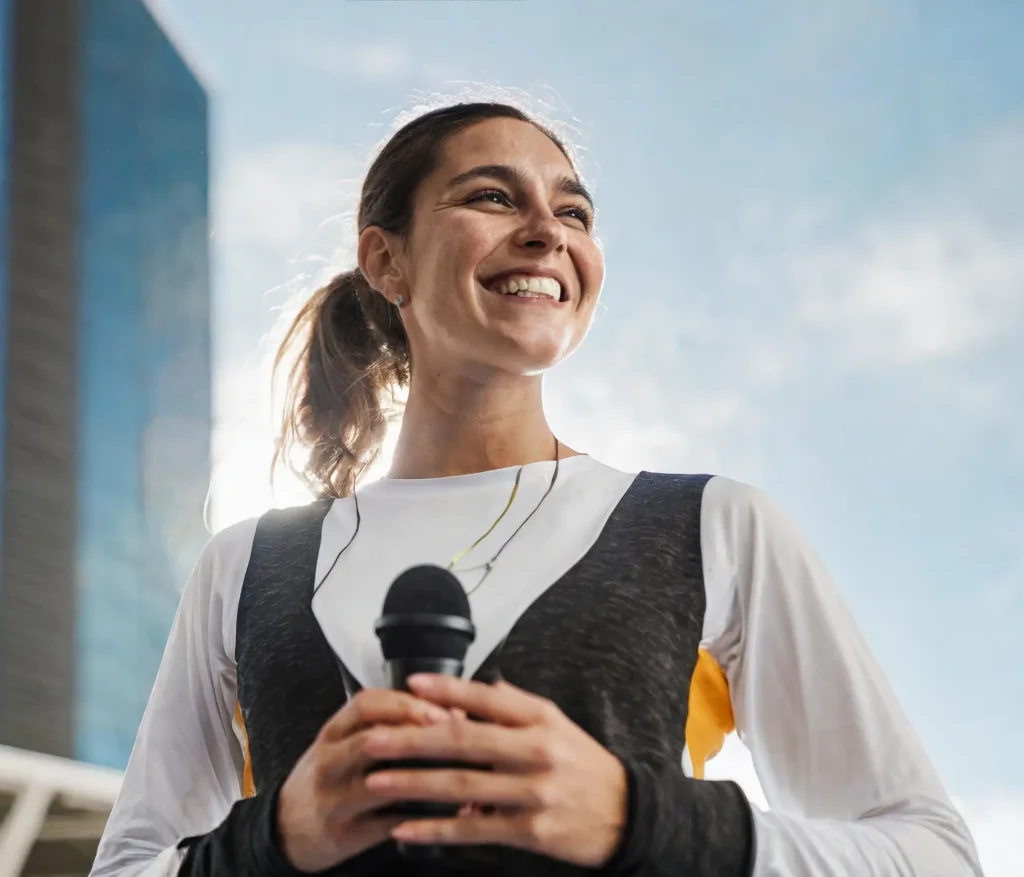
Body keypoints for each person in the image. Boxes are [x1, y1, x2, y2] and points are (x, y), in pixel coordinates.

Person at [89, 101, 982, 877]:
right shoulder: (246, 565)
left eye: (574, 210)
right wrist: (273, 840)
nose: (549, 230)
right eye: (491, 195)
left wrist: (642, 821)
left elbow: (933, 856)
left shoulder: (713, 526)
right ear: (386, 261)